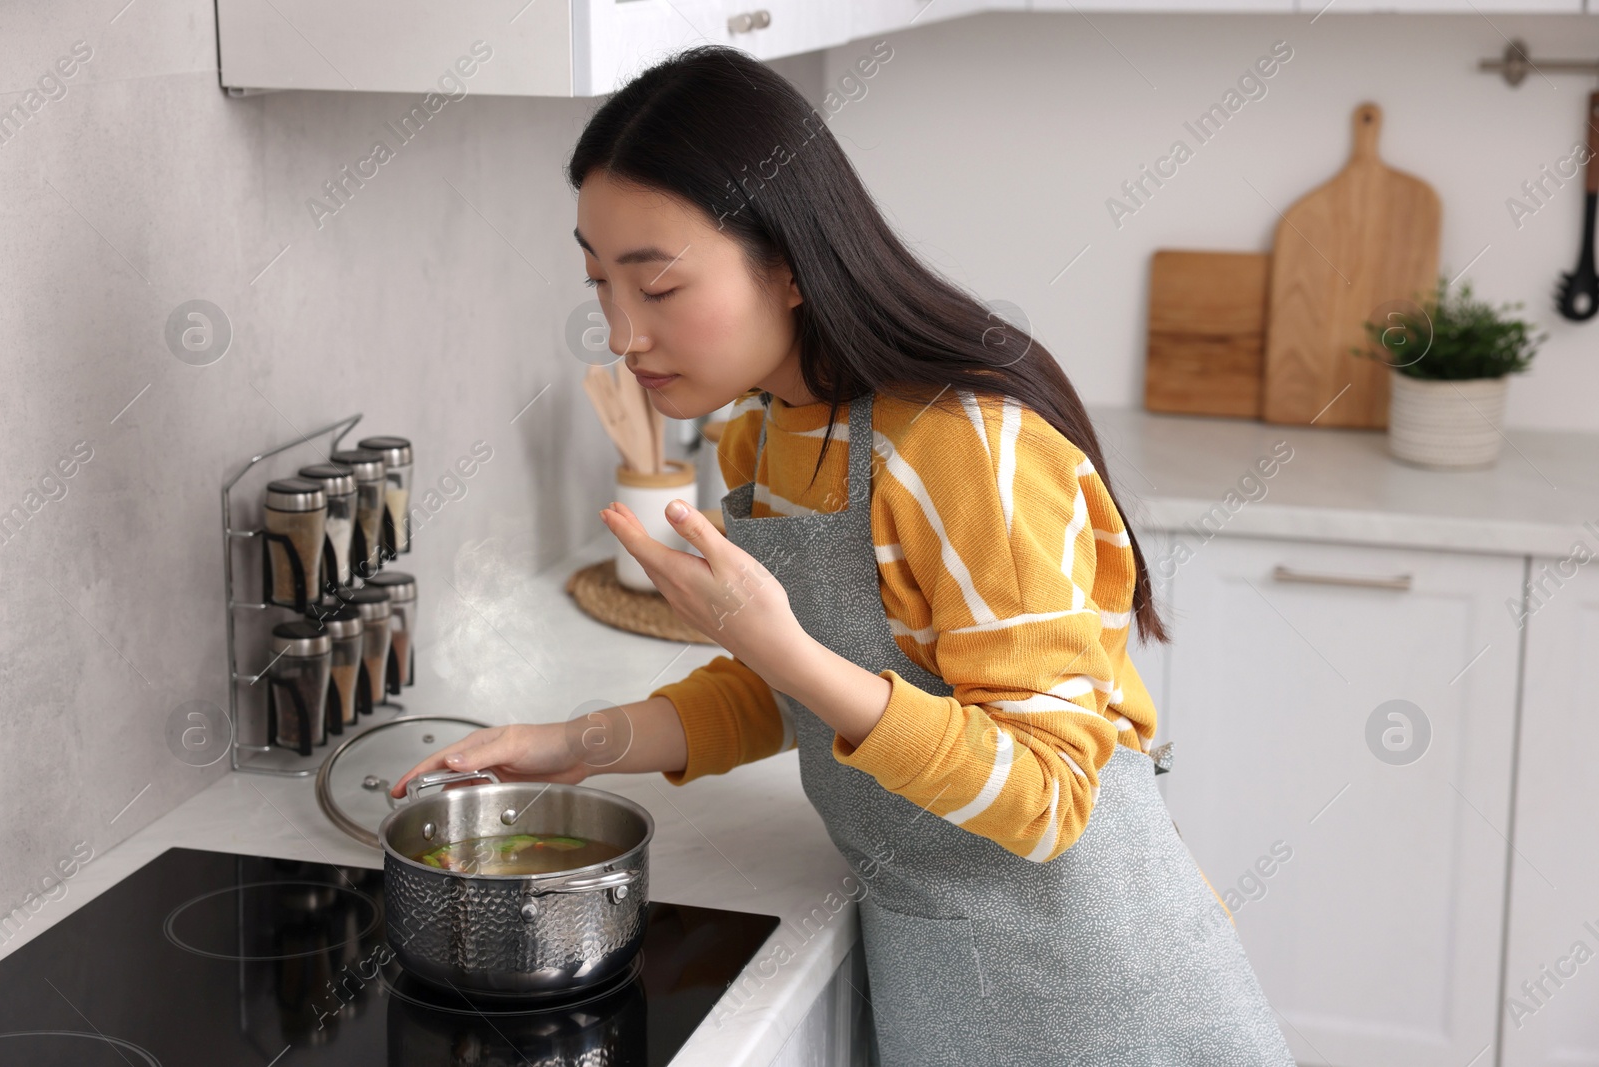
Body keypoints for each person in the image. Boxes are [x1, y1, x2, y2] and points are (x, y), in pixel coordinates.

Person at [394, 43, 1296, 1067]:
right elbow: (790, 688)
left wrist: (779, 647)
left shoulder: (963, 449)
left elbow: (1047, 799)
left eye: (658, 285)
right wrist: (574, 743)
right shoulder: (769, 433)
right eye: (602, 284)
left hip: (1100, 993)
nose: (622, 334)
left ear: (785, 263)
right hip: (942, 974)